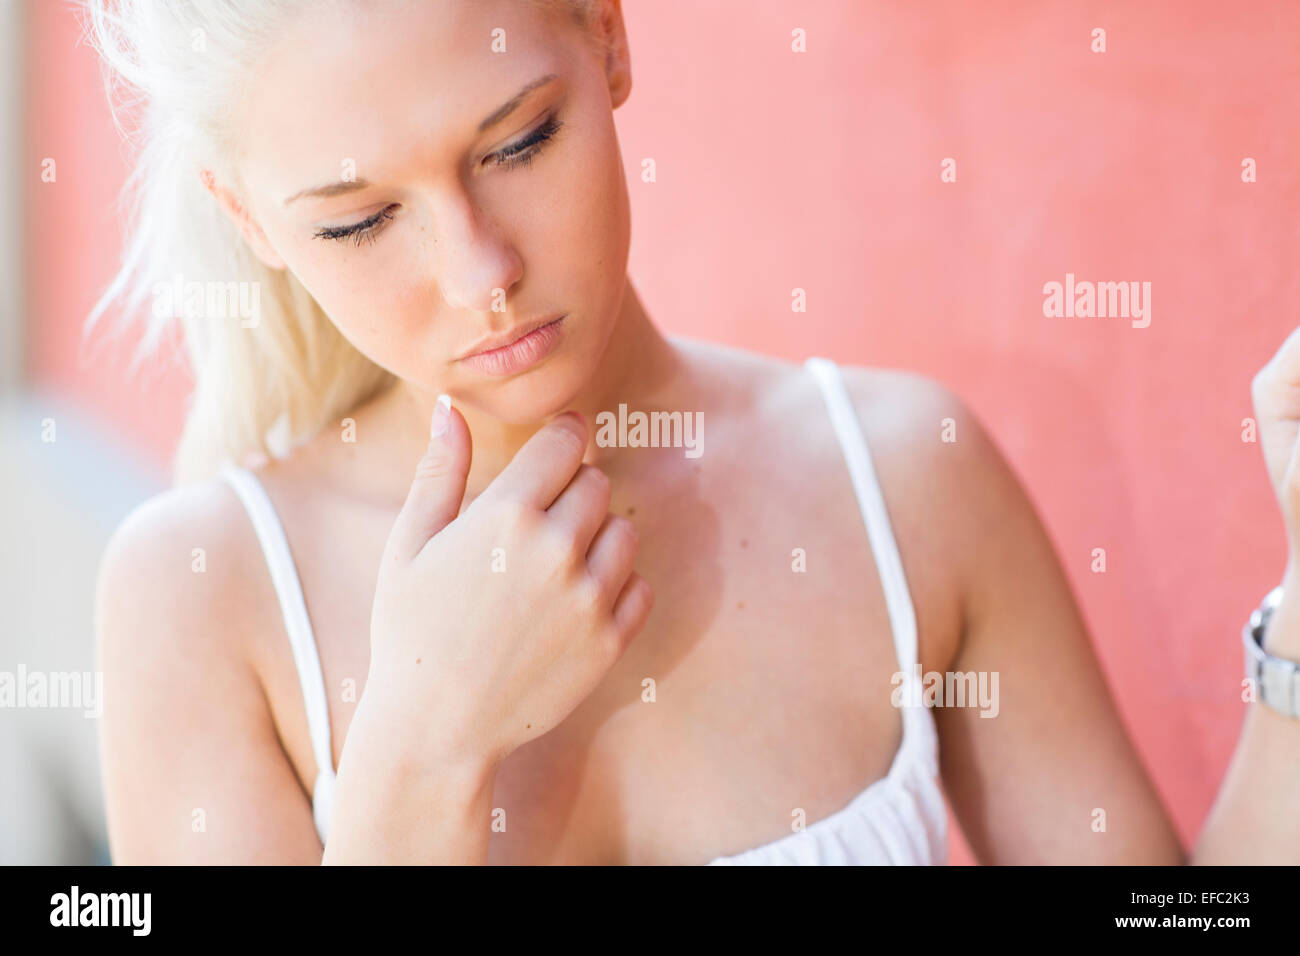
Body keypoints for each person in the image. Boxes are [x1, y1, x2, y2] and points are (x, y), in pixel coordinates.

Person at [88, 0, 1300, 864]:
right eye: (359, 222)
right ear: (248, 220)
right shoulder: (203, 601)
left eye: (518, 142)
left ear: (608, 36)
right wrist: (418, 750)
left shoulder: (903, 476)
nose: (481, 273)